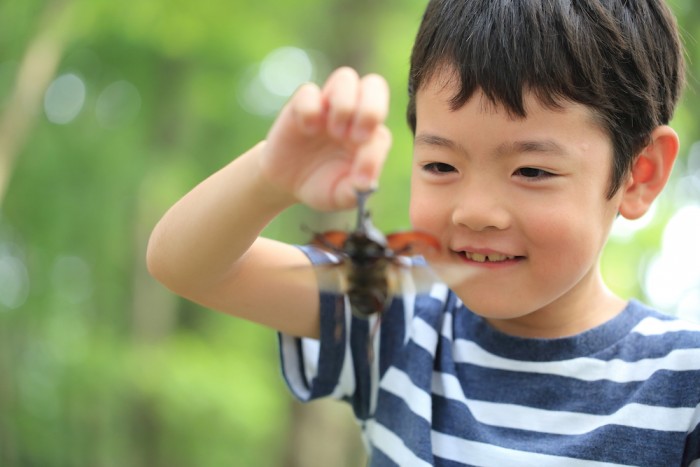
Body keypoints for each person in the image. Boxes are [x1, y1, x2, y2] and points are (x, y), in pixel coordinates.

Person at [147, 0, 700, 465]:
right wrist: (271, 176)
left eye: (532, 171)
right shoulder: (395, 316)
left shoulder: (682, 383)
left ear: (638, 174)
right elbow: (184, 264)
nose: (475, 212)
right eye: (440, 165)